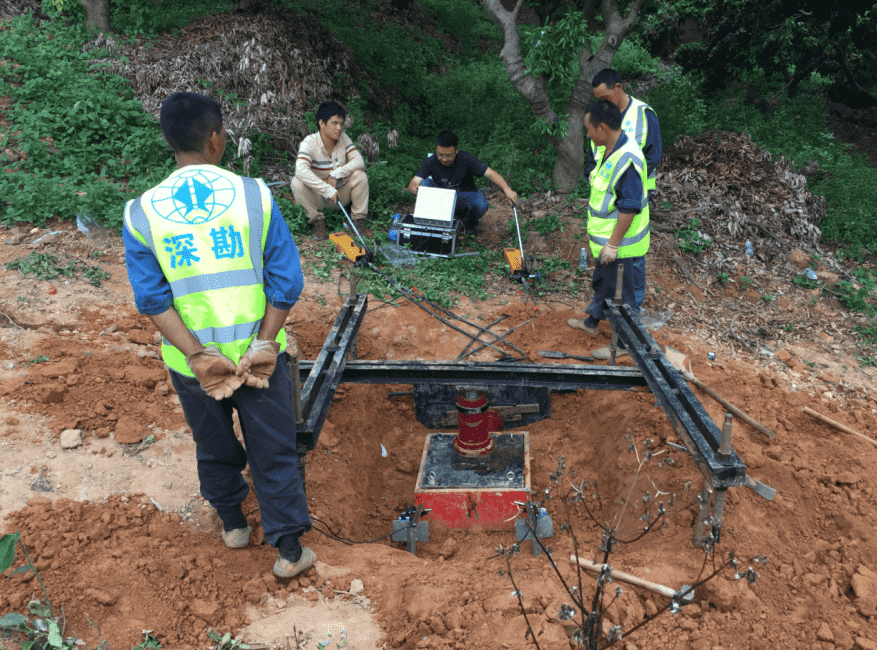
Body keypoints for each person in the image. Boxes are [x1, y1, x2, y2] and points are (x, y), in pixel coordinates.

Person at [123, 92, 315, 579]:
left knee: (212, 444)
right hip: (257, 360)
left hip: (194, 367)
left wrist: (197, 355)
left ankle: (233, 524)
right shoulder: (254, 196)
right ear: (215, 138)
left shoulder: (142, 213)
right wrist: (264, 342)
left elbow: (152, 300)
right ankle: (290, 552)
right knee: (273, 447)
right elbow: (286, 281)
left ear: (169, 140)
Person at [568, 100, 650, 360]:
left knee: (621, 296)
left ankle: (626, 344)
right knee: (603, 283)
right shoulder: (608, 149)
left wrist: (613, 244)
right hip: (607, 243)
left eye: (589, 129)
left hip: (622, 247)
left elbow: (629, 207)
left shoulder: (627, 159)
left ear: (602, 127)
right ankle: (592, 322)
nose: (588, 134)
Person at [405, 130, 519, 236]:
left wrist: (507, 190)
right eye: (440, 154)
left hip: (463, 195)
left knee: (481, 204)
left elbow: (491, 173)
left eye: (449, 155)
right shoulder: (431, 161)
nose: (444, 159)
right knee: (424, 184)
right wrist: (414, 189)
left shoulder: (466, 159)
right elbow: (413, 183)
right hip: (441, 196)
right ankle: (435, 221)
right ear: (436, 150)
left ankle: (467, 221)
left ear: (456, 150)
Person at [291, 101, 369, 241]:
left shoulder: (343, 139)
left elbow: (359, 161)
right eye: (334, 123)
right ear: (322, 123)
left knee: (360, 175)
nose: (339, 128)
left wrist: (336, 174)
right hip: (318, 198)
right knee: (297, 182)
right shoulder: (309, 142)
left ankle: (358, 221)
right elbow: (300, 170)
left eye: (341, 123)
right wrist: (326, 189)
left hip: (340, 197)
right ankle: (317, 221)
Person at [588, 69, 662, 197]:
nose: (603, 103)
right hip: (603, 190)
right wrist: (592, 173)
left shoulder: (644, 114)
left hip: (634, 190)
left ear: (618, 87)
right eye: (599, 100)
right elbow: (593, 151)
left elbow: (654, 155)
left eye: (605, 98)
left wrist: (627, 180)